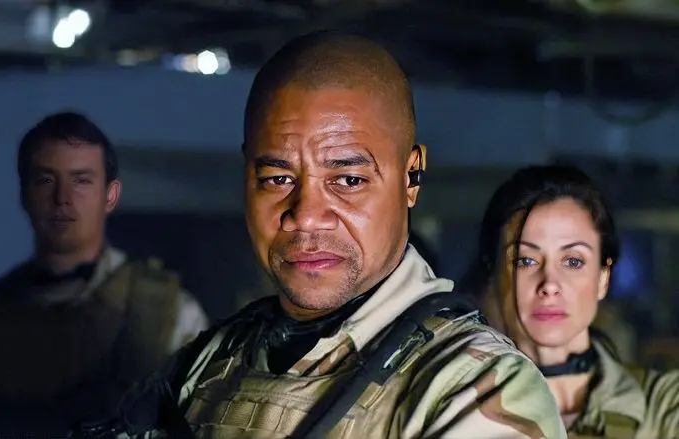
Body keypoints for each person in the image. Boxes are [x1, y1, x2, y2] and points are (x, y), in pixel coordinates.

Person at [109, 31, 565, 439]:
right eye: (278, 179)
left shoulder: (474, 389)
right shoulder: (206, 363)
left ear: (411, 177)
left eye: (348, 180)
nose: (306, 217)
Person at [0, 112, 209, 437]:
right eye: (46, 180)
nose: (62, 199)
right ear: (25, 194)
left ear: (110, 195)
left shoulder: (167, 312)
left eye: (81, 180)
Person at [460, 164, 679, 437]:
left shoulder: (663, 407)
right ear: (493, 275)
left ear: (603, 278)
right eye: (525, 261)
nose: (550, 284)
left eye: (573, 261)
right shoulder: (454, 409)